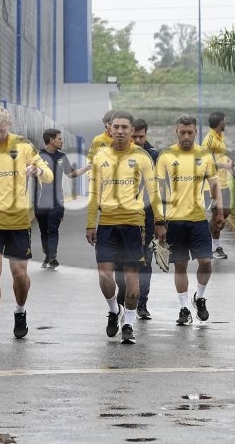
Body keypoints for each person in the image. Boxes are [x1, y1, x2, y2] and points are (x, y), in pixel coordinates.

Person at [0, 105, 54, 344]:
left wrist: (37, 170)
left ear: (9, 125)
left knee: (20, 275)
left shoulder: (23, 145)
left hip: (18, 222)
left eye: (2, 130)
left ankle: (20, 311)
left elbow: (49, 175)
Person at [85, 111, 166, 344]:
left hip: (133, 224)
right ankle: (114, 310)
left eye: (124, 128)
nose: (120, 131)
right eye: (116, 127)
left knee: (132, 278)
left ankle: (128, 323)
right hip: (107, 224)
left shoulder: (142, 157)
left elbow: (154, 192)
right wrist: (90, 224)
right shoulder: (100, 156)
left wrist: (160, 221)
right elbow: (94, 193)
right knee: (105, 275)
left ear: (132, 131)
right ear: (110, 129)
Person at [156, 115, 224, 326]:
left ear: (196, 132)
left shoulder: (204, 155)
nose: (186, 136)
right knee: (180, 265)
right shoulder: (166, 156)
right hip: (174, 220)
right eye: (182, 132)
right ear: (176, 132)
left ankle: (199, 297)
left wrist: (219, 211)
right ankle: (184, 308)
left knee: (206, 262)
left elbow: (215, 186)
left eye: (190, 132)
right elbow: (158, 191)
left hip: (197, 219)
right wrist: (159, 221)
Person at [114, 118, 160, 319]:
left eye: (142, 136)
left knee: (145, 261)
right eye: (136, 136)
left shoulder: (155, 156)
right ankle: (124, 291)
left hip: (147, 217)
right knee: (119, 262)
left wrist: (161, 220)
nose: (139, 140)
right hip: (123, 218)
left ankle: (142, 303)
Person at [34, 128, 90, 269]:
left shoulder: (62, 156)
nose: (62, 141)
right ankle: (47, 256)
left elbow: (71, 174)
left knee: (53, 229)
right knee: (44, 231)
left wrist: (87, 168)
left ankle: (53, 256)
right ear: (51, 140)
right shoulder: (38, 157)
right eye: (59, 139)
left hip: (57, 201)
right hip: (41, 202)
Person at [202, 111, 235, 259]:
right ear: (221, 122)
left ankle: (209, 240)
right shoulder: (209, 139)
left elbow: (219, 157)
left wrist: (230, 164)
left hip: (224, 183)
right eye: (225, 120)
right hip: (213, 185)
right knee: (217, 215)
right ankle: (214, 247)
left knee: (225, 213)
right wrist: (224, 165)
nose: (226, 123)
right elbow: (203, 162)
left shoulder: (221, 137)